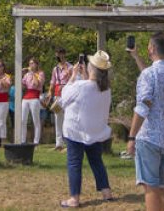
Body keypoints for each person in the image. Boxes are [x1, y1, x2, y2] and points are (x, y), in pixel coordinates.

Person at [127, 32, 164, 211]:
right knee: (162, 184)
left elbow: (143, 107)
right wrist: (136, 57)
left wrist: (131, 137)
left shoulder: (150, 74)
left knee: (150, 187)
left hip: (149, 136)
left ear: (151, 48)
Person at [56, 50, 116, 208]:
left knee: (74, 163)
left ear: (92, 69)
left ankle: (74, 198)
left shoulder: (81, 86)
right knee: (96, 161)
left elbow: (65, 95)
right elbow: (89, 94)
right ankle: (106, 192)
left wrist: (72, 76)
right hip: (95, 131)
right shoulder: (106, 89)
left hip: (76, 130)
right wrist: (81, 77)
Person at [49, 48, 72, 151]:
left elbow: (73, 79)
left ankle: (69, 142)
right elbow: (52, 82)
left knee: (68, 117)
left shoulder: (70, 67)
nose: (60, 56)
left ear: (64, 54)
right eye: (58, 54)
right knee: (58, 118)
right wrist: (50, 92)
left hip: (67, 93)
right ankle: (59, 143)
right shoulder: (55, 69)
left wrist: (66, 85)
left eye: (61, 54)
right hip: (58, 93)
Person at [19, 57, 45, 145]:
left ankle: (36, 141)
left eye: (32, 63)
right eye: (30, 63)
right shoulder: (27, 75)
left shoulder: (40, 73)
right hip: (26, 97)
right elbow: (22, 86)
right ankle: (22, 140)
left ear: (36, 64)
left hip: (35, 97)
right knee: (23, 120)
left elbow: (37, 84)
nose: (31, 65)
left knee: (36, 120)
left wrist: (33, 73)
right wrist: (21, 75)